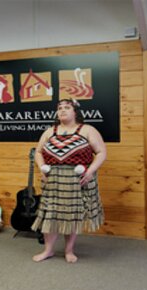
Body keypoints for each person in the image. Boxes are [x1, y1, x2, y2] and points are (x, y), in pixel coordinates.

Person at [32, 98, 106, 263]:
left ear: (75, 112)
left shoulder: (87, 130)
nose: (63, 110)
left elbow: (101, 152)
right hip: (53, 179)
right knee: (49, 215)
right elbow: (38, 152)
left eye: (67, 107)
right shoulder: (50, 131)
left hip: (76, 179)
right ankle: (48, 250)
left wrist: (90, 171)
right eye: (60, 108)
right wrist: (42, 167)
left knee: (71, 215)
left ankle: (69, 250)